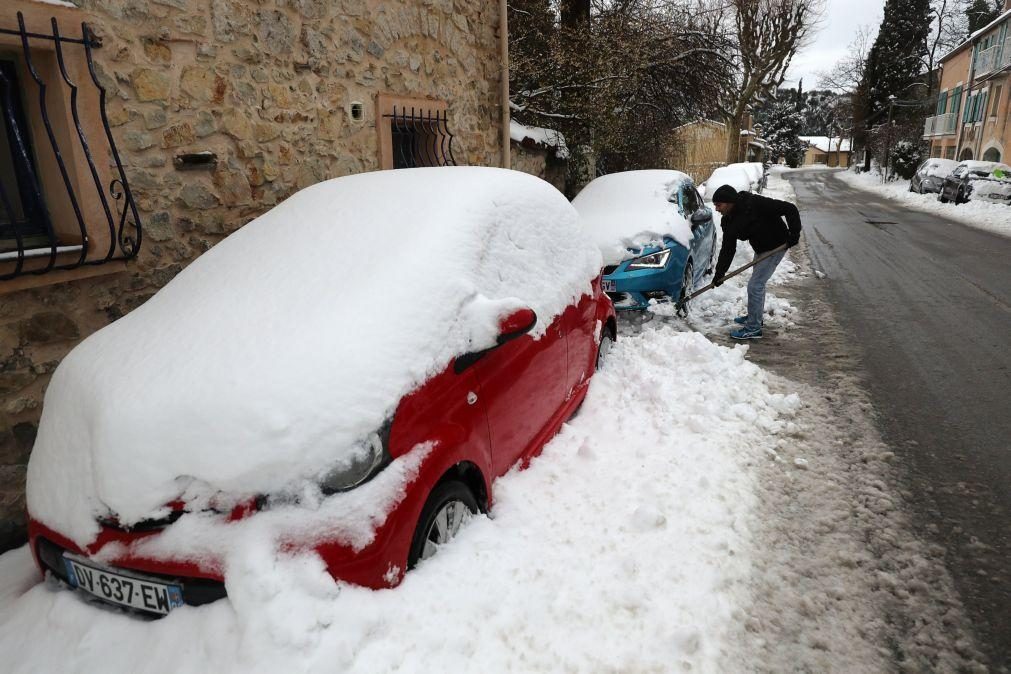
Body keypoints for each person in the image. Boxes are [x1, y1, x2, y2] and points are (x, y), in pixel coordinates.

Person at [710, 184, 801, 340]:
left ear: (729, 201)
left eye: (719, 205)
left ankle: (753, 327)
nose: (717, 209)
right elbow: (727, 249)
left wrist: (794, 233)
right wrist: (719, 273)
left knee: (755, 285)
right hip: (761, 247)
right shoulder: (728, 221)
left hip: (777, 245)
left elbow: (790, 208)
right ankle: (755, 316)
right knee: (757, 284)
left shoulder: (754, 203)